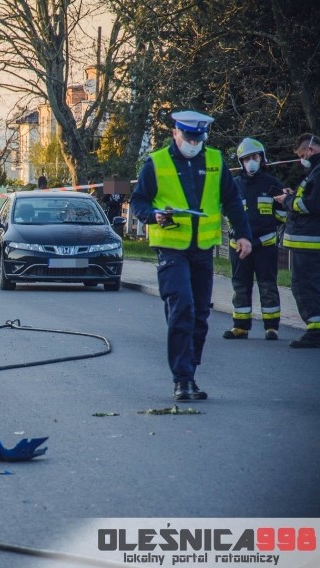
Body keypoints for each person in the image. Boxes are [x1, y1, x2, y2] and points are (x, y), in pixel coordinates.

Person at [130, 110, 252, 401]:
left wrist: (244, 234)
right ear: (175, 133)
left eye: (199, 139)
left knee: (200, 314)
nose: (193, 144)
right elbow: (138, 201)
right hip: (171, 249)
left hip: (202, 251)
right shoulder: (156, 162)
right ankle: (181, 379)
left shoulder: (214, 160)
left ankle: (190, 374)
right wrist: (153, 215)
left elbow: (232, 200)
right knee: (182, 307)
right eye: (188, 138)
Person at [223, 138, 286, 340]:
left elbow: (283, 215)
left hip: (265, 245)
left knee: (267, 285)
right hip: (239, 246)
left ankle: (271, 327)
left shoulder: (272, 185)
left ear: (262, 158)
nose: (251, 161)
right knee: (240, 285)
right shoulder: (234, 186)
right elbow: (227, 213)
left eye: (255, 157)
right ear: (241, 162)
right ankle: (240, 327)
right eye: (247, 158)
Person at [273, 133, 320, 348]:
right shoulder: (313, 173)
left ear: (311, 150)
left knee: (304, 285)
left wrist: (287, 200)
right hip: (308, 240)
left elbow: (310, 205)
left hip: (310, 241)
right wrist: (293, 196)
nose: (302, 159)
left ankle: (315, 331)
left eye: (302, 155)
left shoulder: (317, 173)